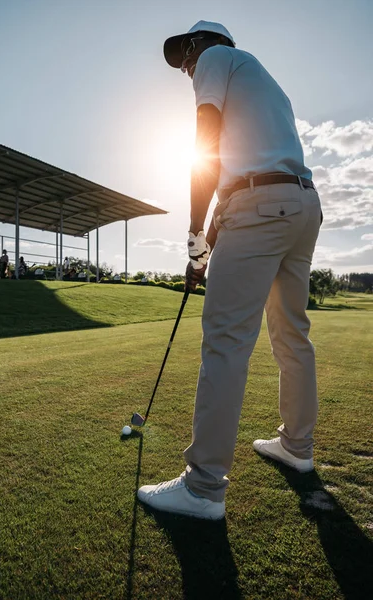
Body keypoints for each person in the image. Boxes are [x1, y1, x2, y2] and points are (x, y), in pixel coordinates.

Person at [138, 21, 322, 520]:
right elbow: (241, 179)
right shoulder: (265, 81)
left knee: (225, 341)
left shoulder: (216, 60)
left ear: (205, 43)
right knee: (291, 333)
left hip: (261, 205)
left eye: (186, 55)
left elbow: (208, 149)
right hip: (300, 206)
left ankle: (202, 488)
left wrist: (195, 231)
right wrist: (205, 251)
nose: (187, 67)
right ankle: (297, 447)